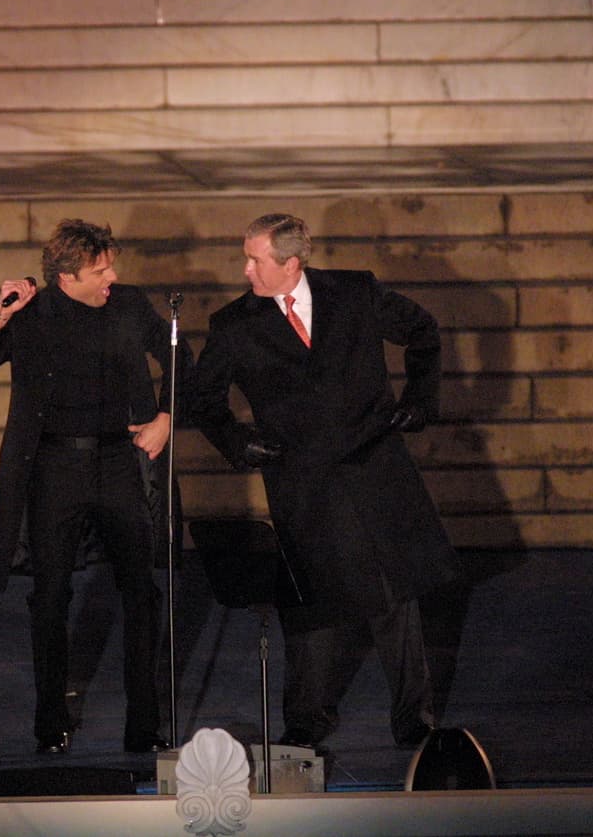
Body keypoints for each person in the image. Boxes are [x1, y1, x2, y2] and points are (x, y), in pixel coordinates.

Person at [190, 212, 457, 750]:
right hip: (302, 480)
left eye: (255, 260)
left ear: (291, 263)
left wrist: (420, 401)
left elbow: (424, 333)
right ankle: (306, 720)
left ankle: (413, 716)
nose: (245, 270)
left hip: (374, 470)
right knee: (310, 604)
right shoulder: (234, 325)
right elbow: (204, 401)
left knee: (394, 599)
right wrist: (239, 444)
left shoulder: (355, 292)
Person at [0, 218, 193, 755]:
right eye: (100, 270)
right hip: (55, 469)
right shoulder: (32, 313)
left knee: (141, 591)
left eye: (111, 265)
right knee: (50, 597)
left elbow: (181, 357)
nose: (112, 276)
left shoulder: (129, 305)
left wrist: (166, 416)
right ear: (67, 277)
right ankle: (50, 722)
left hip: (121, 461)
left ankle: (144, 725)